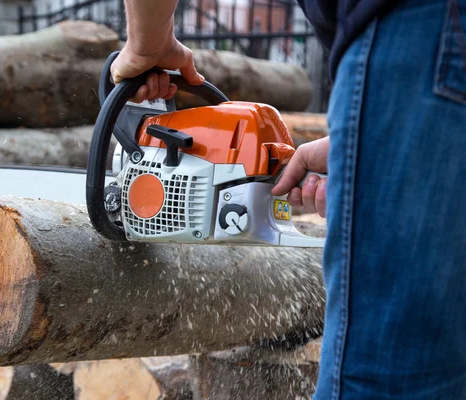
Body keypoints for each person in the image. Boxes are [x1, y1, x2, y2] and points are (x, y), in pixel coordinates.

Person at [111, 0, 466, 398]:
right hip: (440, 50)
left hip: (412, 36)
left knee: (379, 372)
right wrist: (359, 149)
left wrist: (149, 44)